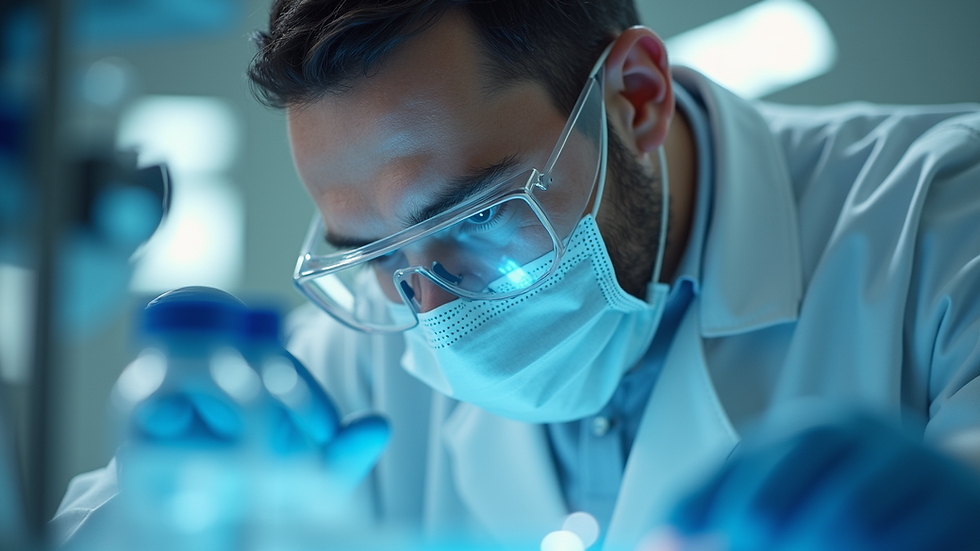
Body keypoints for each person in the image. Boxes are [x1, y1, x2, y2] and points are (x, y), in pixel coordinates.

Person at [54, 1, 980, 549]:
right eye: (374, 253)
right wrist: (168, 512)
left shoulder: (937, 217)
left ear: (636, 99)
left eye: (474, 216)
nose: (433, 310)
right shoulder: (353, 367)